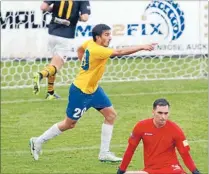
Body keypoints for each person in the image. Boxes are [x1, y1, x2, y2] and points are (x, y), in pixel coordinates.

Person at [29, 24, 156, 162]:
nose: (110, 37)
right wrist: (142, 47)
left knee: (111, 115)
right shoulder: (97, 49)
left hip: (94, 89)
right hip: (81, 92)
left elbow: (80, 49)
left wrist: (83, 61)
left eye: (110, 34)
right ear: (98, 37)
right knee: (69, 124)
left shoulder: (90, 43)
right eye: (106, 35)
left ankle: (104, 153)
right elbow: (119, 53)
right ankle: (38, 141)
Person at [117, 98, 201, 174]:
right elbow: (130, 149)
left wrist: (195, 171)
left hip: (172, 169)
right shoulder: (141, 126)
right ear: (153, 111)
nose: (163, 117)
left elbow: (185, 153)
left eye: (166, 113)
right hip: (151, 170)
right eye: (160, 113)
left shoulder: (176, 130)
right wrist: (121, 170)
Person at [33, 0, 91, 99]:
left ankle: (50, 93)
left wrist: (52, 9)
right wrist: (76, 17)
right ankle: (40, 74)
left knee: (52, 64)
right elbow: (85, 18)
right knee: (56, 66)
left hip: (52, 34)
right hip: (66, 37)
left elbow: (43, 7)